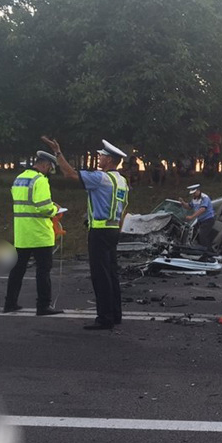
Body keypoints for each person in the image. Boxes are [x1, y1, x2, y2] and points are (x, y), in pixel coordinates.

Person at [43, 136, 129, 330]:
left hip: (99, 231)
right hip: (113, 230)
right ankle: (115, 314)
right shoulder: (122, 181)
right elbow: (123, 209)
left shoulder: (101, 178)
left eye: (102, 156)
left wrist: (58, 153)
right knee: (112, 274)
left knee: (101, 276)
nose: (99, 158)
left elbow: (70, 174)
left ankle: (104, 319)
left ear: (110, 160)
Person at [3, 151, 64, 316]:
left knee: (17, 270)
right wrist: (55, 209)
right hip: (39, 234)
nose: (49, 172)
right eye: (50, 168)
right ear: (45, 165)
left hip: (22, 233)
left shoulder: (20, 178)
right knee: (43, 271)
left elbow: (27, 203)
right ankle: (43, 306)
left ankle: (10, 303)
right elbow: (44, 207)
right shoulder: (40, 180)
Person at [180, 184, 215, 249]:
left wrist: (191, 217)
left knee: (203, 236)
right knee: (196, 235)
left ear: (198, 191)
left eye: (194, 193)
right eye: (192, 194)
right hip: (200, 220)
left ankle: (207, 251)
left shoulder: (204, 198)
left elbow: (202, 209)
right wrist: (183, 203)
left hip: (208, 220)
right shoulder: (194, 199)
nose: (193, 195)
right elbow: (189, 206)